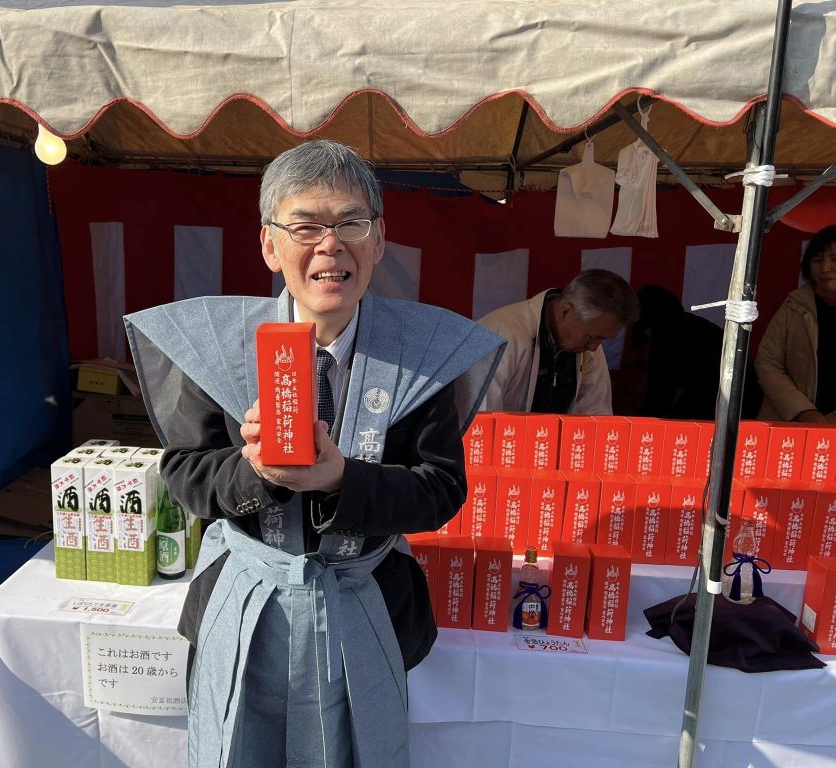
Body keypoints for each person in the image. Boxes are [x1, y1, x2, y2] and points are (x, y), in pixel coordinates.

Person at [124, 140, 504, 768]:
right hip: (247, 599)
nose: (330, 245)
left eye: (351, 222)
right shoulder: (218, 348)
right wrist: (254, 471)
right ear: (270, 246)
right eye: (305, 226)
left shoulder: (421, 354)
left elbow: (440, 489)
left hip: (367, 600)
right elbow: (188, 476)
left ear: (378, 241)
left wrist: (340, 479)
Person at [478, 269, 639, 414]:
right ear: (565, 312)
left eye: (602, 339)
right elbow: (481, 419)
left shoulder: (589, 341)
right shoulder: (499, 333)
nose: (593, 347)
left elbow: (596, 414)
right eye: (591, 337)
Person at [632, 284, 763, 420]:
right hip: (742, 394)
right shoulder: (689, 325)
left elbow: (659, 395)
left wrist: (635, 423)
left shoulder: (666, 335)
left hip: (727, 397)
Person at [756, 225, 836, 423]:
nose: (825, 268)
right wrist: (805, 412)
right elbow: (767, 363)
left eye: (834, 260)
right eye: (817, 260)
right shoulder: (794, 306)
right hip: (791, 425)